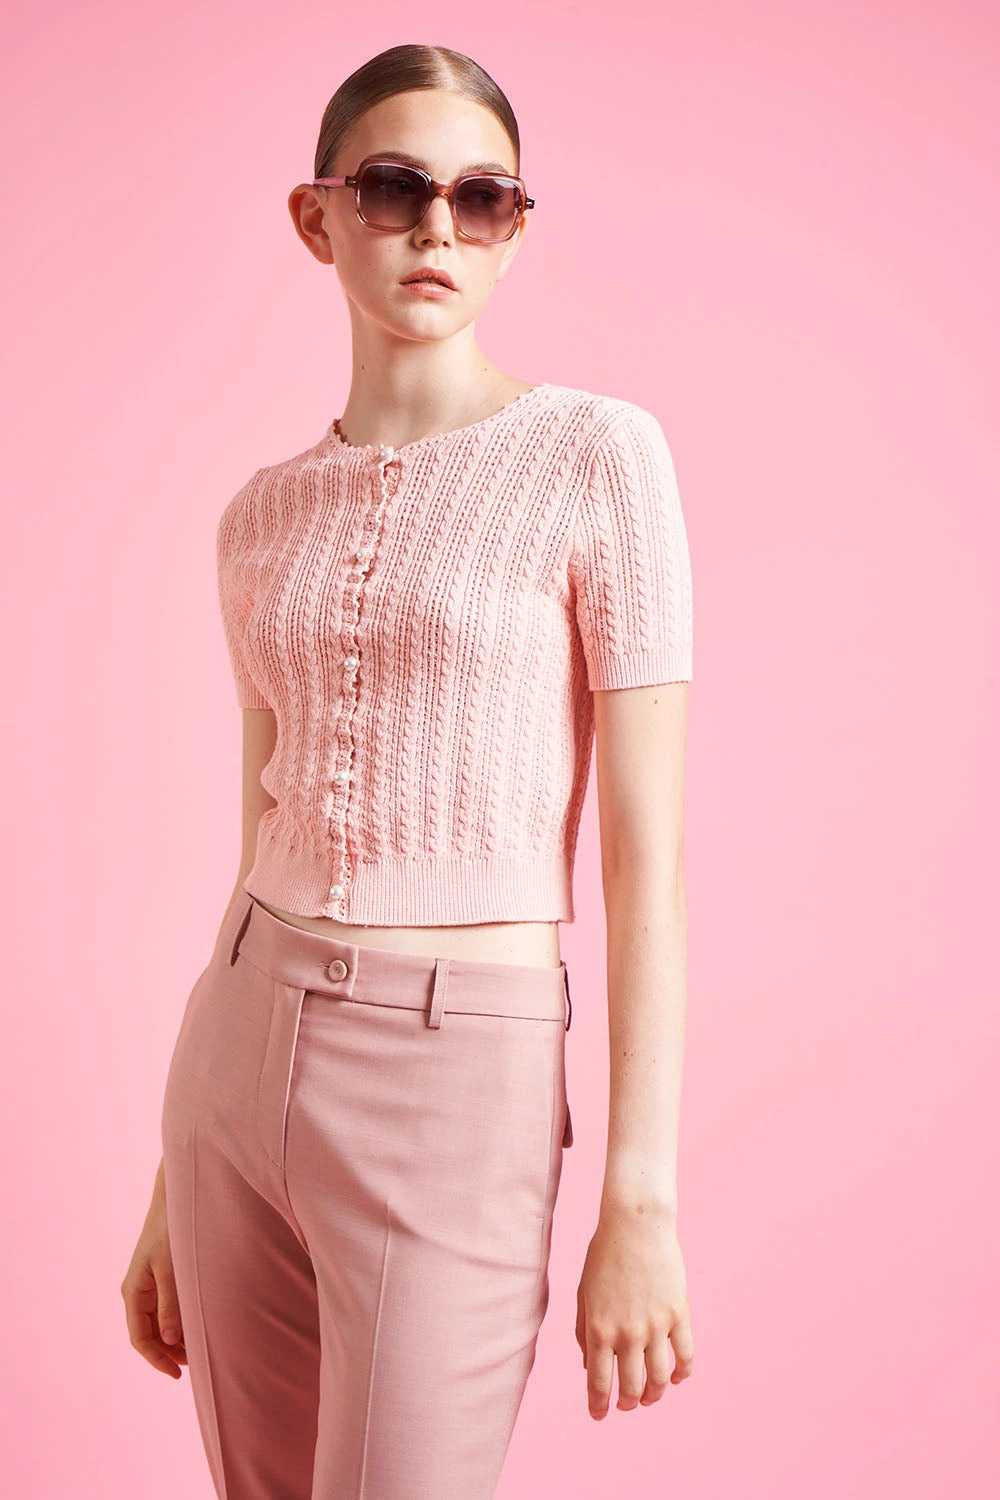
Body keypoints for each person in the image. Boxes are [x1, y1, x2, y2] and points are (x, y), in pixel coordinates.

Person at [121, 41, 696, 1500]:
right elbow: (259, 833)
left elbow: (647, 862)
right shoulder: (260, 517)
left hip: (458, 1077)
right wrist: (169, 1181)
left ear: (514, 228)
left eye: (483, 198)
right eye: (395, 188)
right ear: (318, 216)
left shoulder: (600, 458)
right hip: (236, 1057)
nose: (439, 227)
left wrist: (638, 1196)